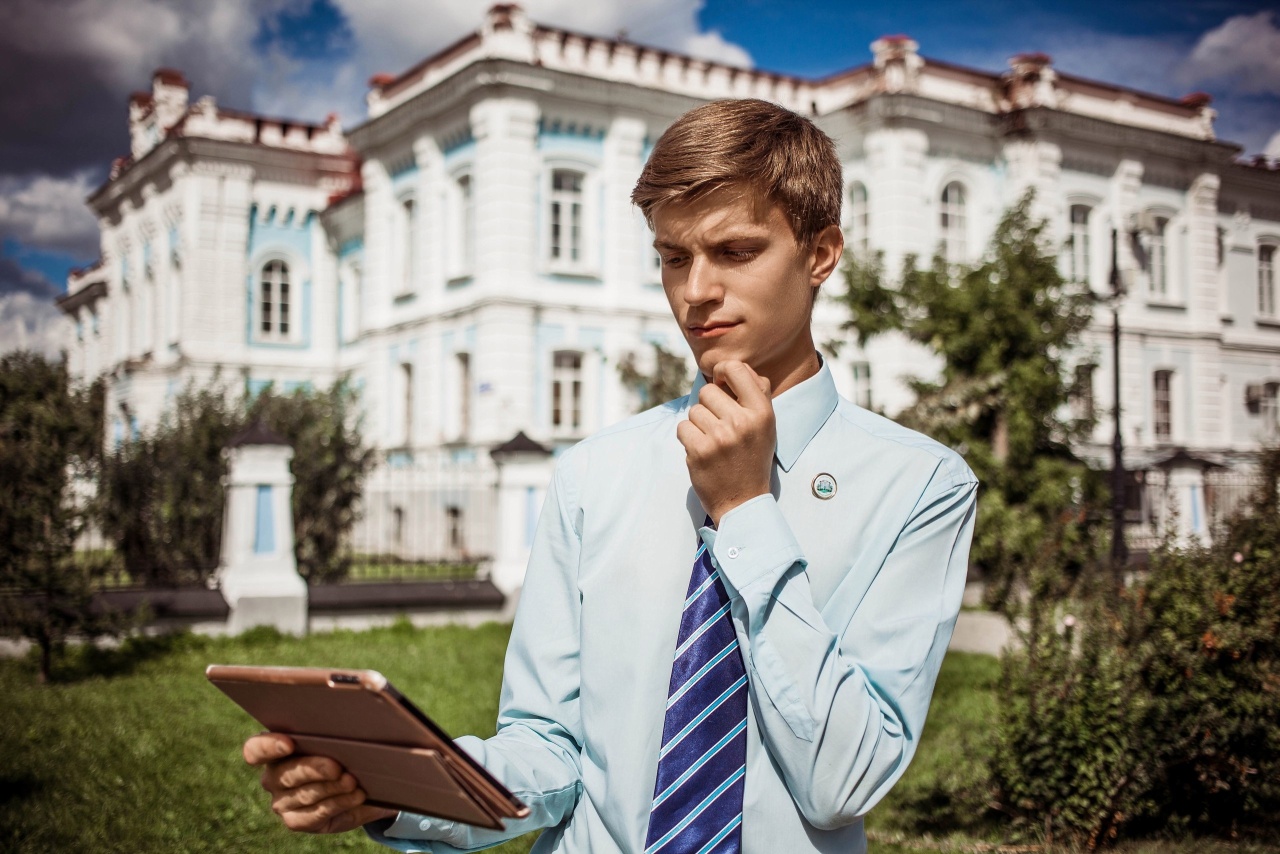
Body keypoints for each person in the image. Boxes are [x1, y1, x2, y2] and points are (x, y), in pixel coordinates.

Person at [244, 98, 978, 854]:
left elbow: (844, 782)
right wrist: (390, 791)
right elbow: (548, 751)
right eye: (672, 257)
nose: (695, 292)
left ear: (821, 253)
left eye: (734, 251)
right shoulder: (596, 473)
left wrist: (747, 509)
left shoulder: (921, 487)